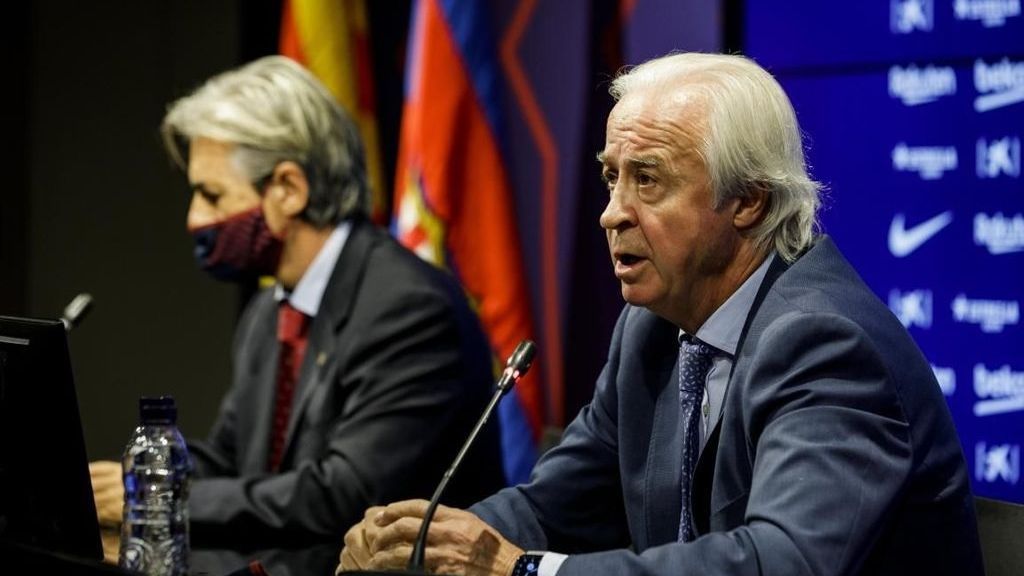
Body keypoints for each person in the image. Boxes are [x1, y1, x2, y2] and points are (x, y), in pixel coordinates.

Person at [337, 52, 983, 575]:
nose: (612, 213)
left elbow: (780, 563)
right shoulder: (652, 329)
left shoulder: (825, 344)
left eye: (648, 180)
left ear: (749, 201)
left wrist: (523, 571)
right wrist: (424, 544)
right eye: (610, 177)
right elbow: (557, 506)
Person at [89, 55, 505, 544]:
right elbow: (232, 459)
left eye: (212, 195)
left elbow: (344, 495)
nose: (194, 219)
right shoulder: (271, 310)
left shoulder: (409, 308)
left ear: (289, 188)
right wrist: (146, 474)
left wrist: (163, 499)